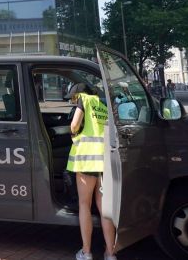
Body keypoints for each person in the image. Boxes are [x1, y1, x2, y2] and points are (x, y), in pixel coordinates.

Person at [66, 83, 117, 260]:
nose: (73, 101)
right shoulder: (102, 104)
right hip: (104, 161)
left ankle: (86, 252)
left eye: (73, 97)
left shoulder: (84, 99)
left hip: (87, 160)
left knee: (84, 205)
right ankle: (110, 253)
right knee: (105, 210)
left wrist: (73, 134)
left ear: (79, 94)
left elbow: (74, 125)